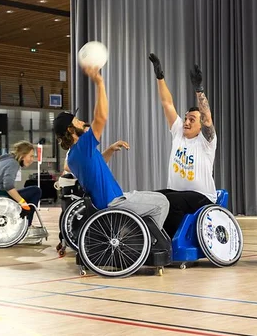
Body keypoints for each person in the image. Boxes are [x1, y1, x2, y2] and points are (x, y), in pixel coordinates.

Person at [53, 65, 169, 228]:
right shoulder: (82, 146)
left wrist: (110, 150)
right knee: (162, 204)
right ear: (70, 130)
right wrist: (100, 83)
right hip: (113, 203)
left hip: (114, 197)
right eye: (76, 121)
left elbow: (95, 167)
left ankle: (141, 237)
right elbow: (100, 118)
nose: (80, 121)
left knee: (160, 197)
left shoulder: (74, 156)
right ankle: (146, 241)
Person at [148, 54, 217, 238]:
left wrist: (199, 90)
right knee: (152, 198)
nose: (186, 122)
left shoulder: (206, 141)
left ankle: (165, 241)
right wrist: (160, 78)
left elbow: (207, 117)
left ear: (200, 125)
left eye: (191, 120)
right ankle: (146, 237)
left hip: (202, 197)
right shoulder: (178, 132)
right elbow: (167, 103)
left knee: (173, 202)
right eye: (186, 118)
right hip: (178, 193)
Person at [0, 140, 42, 226]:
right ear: (22, 155)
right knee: (36, 191)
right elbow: (8, 186)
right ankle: (27, 225)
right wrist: (23, 203)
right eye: (31, 156)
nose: (32, 159)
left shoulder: (5, 160)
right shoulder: (13, 163)